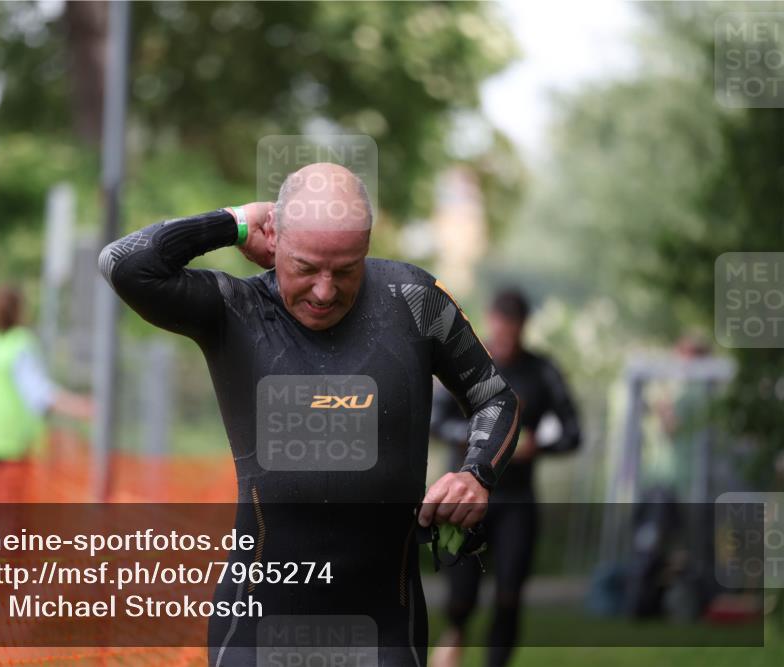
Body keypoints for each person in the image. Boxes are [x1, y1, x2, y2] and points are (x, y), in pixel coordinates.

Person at [99, 162, 521, 666]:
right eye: (306, 267)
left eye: (346, 270)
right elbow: (124, 263)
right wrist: (234, 222)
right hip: (257, 627)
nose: (324, 291)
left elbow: (496, 398)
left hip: (384, 627)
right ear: (273, 239)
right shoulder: (236, 310)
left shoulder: (414, 301)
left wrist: (477, 473)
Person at [429, 288, 581, 667]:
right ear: (491, 321)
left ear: (524, 327)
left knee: (510, 593)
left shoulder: (541, 371)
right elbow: (435, 420)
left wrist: (538, 446)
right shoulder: (466, 362)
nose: (505, 337)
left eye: (513, 330)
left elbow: (572, 431)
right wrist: (480, 441)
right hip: (465, 496)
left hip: (516, 500)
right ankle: (455, 633)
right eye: (499, 327)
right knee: (462, 592)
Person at [0, 285, 93, 464]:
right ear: (19, 311)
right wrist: (84, 407)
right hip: (9, 445)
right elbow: (41, 395)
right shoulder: (19, 343)